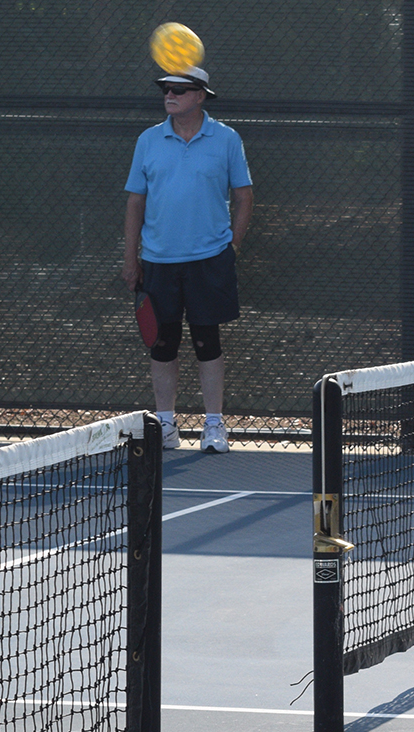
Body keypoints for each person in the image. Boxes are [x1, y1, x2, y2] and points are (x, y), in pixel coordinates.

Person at [122, 64, 252, 453]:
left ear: (200, 97)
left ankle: (214, 426)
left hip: (210, 259)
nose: (170, 95)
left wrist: (233, 246)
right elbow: (135, 201)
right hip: (159, 261)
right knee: (162, 344)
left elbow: (244, 196)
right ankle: (165, 425)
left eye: (180, 89)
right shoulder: (148, 140)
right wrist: (132, 258)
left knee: (206, 341)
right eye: (166, 89)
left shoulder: (227, 139)